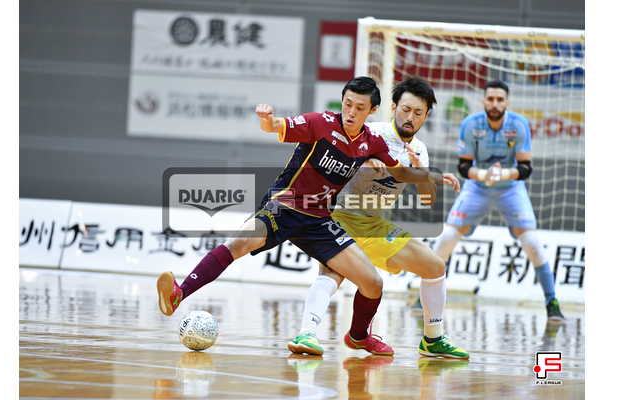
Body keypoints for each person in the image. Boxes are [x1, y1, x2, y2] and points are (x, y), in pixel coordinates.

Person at [157, 76, 460, 355]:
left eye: (359, 108)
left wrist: (432, 175)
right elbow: (277, 126)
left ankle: (359, 336)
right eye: (347, 104)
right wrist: (267, 119)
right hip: (285, 206)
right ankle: (179, 294)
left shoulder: (371, 142)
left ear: (371, 110)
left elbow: (401, 172)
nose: (351, 112)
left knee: (373, 283)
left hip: (320, 218)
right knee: (238, 243)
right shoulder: (320, 122)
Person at [287, 77, 469, 359]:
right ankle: (307, 333)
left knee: (434, 266)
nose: (410, 117)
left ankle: (432, 340)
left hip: (374, 224)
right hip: (339, 216)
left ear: (426, 116)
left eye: (418, 113)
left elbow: (428, 199)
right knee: (332, 274)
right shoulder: (371, 133)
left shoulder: (419, 150)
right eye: (405, 109)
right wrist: (365, 162)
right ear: (394, 107)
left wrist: (421, 172)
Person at [431, 80, 565, 321]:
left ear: (507, 103)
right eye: (490, 99)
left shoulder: (519, 124)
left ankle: (552, 302)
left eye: (500, 100)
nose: (495, 104)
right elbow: (463, 166)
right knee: (447, 238)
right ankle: (424, 298)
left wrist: (501, 174)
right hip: (477, 187)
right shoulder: (470, 124)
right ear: (483, 101)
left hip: (510, 188)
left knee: (532, 244)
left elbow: (525, 168)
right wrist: (485, 175)